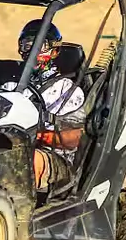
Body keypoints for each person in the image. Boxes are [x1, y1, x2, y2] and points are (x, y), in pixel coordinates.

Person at [10, 19, 85, 189]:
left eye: (40, 46)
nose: (32, 52)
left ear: (54, 51)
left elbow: (74, 139)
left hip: (56, 158)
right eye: (27, 45)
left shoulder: (67, 90)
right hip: (10, 150)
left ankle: (22, 212)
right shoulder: (11, 85)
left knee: (31, 159)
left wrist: (38, 136)